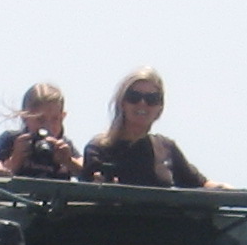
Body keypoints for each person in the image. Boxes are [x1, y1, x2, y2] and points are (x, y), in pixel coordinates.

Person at [82, 67, 211, 188]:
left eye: (151, 98)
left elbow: (202, 185)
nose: (142, 103)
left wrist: (228, 191)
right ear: (122, 103)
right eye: (134, 97)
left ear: (160, 107)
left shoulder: (166, 148)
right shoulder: (99, 149)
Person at [0, 83, 79, 179]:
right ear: (25, 118)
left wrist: (68, 161)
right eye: (40, 120)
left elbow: (87, 172)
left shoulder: (64, 145)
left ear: (62, 117)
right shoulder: (11, 140)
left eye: (55, 119)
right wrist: (15, 160)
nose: (48, 126)